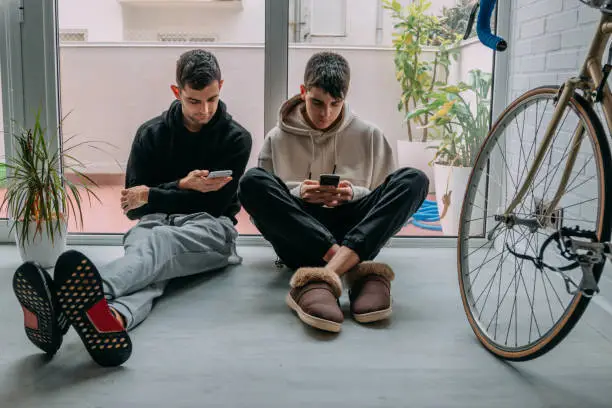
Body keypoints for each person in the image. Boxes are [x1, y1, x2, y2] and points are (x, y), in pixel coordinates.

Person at [12, 49, 252, 366]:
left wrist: (153, 194)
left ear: (221, 85)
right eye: (194, 101)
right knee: (150, 268)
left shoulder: (236, 139)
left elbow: (212, 203)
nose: (205, 110)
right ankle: (111, 319)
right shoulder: (150, 135)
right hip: (152, 224)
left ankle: (62, 301)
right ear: (177, 92)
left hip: (211, 230)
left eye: (212, 98)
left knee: (157, 246)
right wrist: (180, 187)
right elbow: (133, 209)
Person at [238, 51, 428, 333]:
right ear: (303, 92)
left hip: (355, 229)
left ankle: (327, 273)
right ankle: (352, 269)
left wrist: (354, 193)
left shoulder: (370, 135)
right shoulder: (277, 138)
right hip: (300, 237)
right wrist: (300, 192)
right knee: (251, 182)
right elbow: (269, 209)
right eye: (317, 102)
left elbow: (383, 200)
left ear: (345, 98)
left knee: (415, 179)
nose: (325, 113)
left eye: (335, 104)